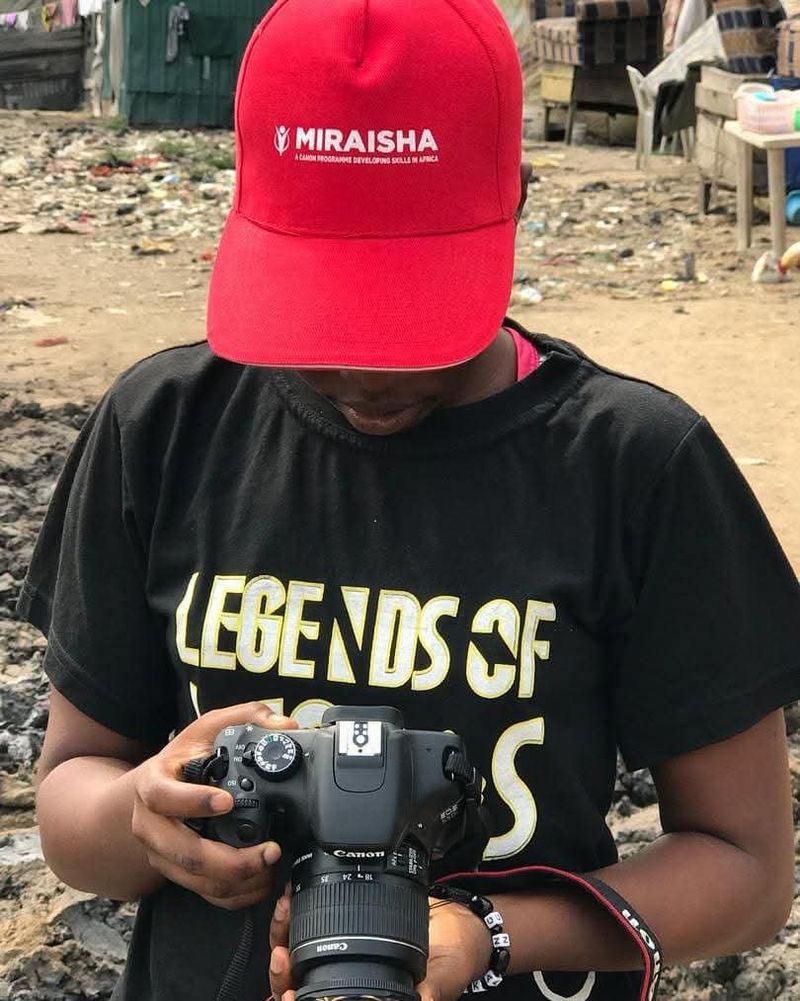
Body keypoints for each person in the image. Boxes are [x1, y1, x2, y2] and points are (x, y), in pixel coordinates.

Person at [18, 0, 800, 1000]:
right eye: (321, 309)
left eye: (406, 309)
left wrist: (488, 933)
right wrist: (140, 816)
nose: (361, 371)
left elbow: (742, 868)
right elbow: (72, 802)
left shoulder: (634, 467)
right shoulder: (162, 428)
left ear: (512, 201)